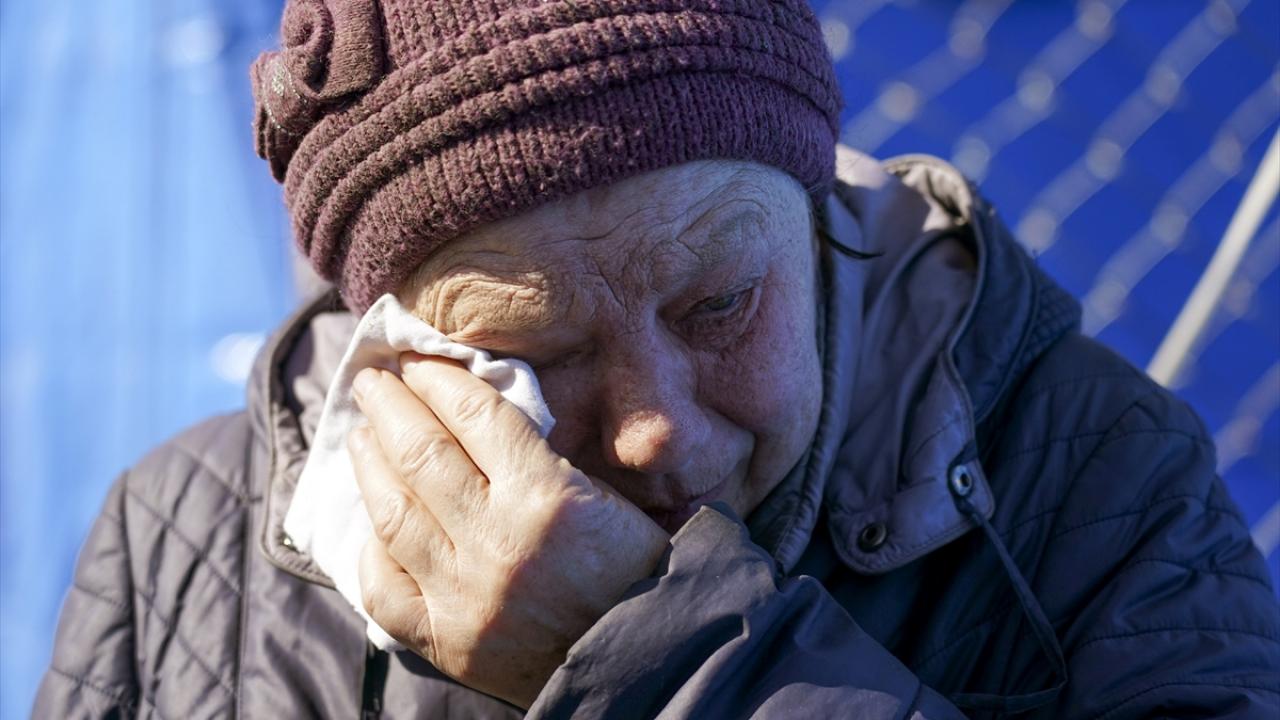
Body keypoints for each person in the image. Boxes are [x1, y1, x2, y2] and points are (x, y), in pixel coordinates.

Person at [35, 1, 1280, 717]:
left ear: (814, 221)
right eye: (538, 349)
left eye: (718, 304)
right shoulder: (183, 538)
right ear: (398, 342)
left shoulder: (1084, 474)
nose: (658, 428)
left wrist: (659, 669)